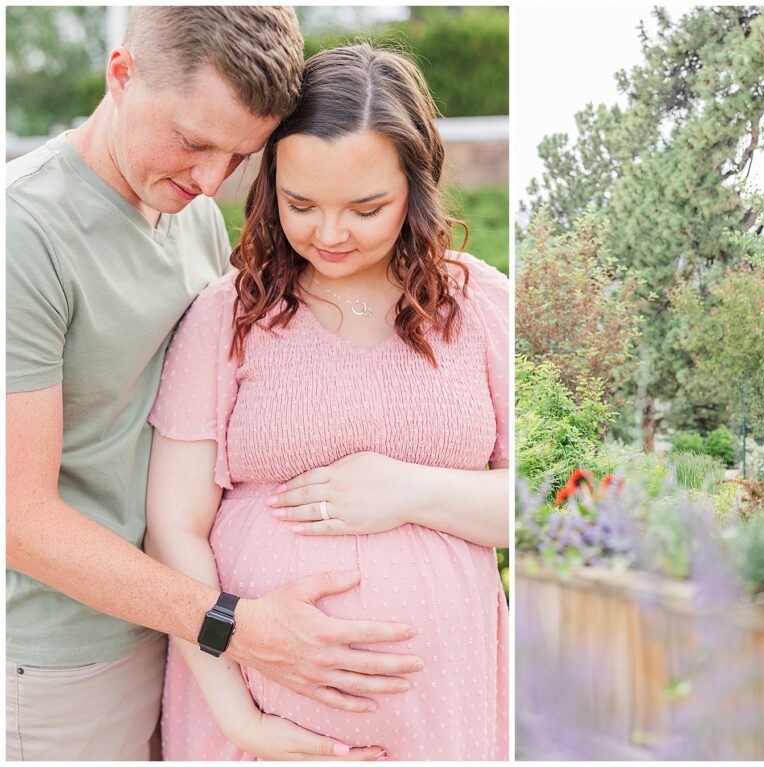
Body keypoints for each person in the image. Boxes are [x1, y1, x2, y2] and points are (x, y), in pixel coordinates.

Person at [7, 9, 421, 761]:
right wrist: (234, 624)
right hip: (62, 661)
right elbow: (17, 518)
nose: (208, 180)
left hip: (172, 632)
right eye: (194, 140)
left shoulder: (187, 213)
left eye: (239, 155)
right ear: (122, 75)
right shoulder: (22, 236)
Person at [144, 44, 510, 760]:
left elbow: (550, 504)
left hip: (439, 719)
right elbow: (172, 528)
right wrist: (241, 717)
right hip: (249, 720)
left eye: (365, 207)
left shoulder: (484, 307)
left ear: (417, 185)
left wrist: (410, 489)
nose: (331, 234)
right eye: (301, 204)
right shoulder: (228, 316)